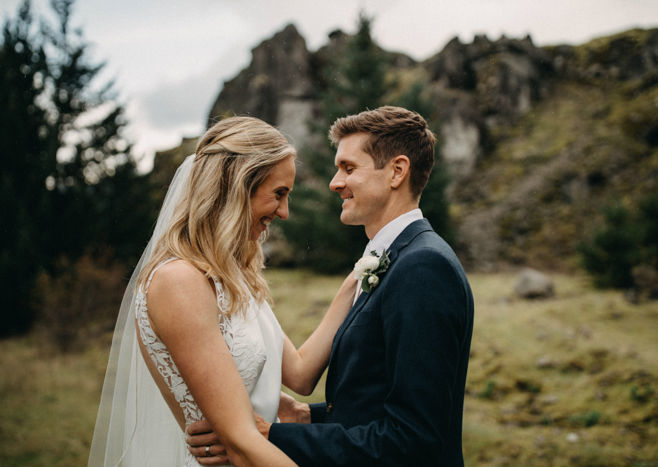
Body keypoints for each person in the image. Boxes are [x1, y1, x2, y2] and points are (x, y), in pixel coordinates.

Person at [188, 106, 474, 466]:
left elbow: (415, 439)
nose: (335, 182)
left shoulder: (423, 267)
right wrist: (311, 417)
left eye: (349, 168)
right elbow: (377, 397)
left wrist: (271, 437)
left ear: (397, 172)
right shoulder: (397, 259)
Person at [88, 116, 356, 467]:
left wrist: (358, 278)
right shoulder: (177, 282)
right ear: (237, 185)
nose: (284, 212)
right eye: (278, 194)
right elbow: (240, 440)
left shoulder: (235, 279)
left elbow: (301, 374)